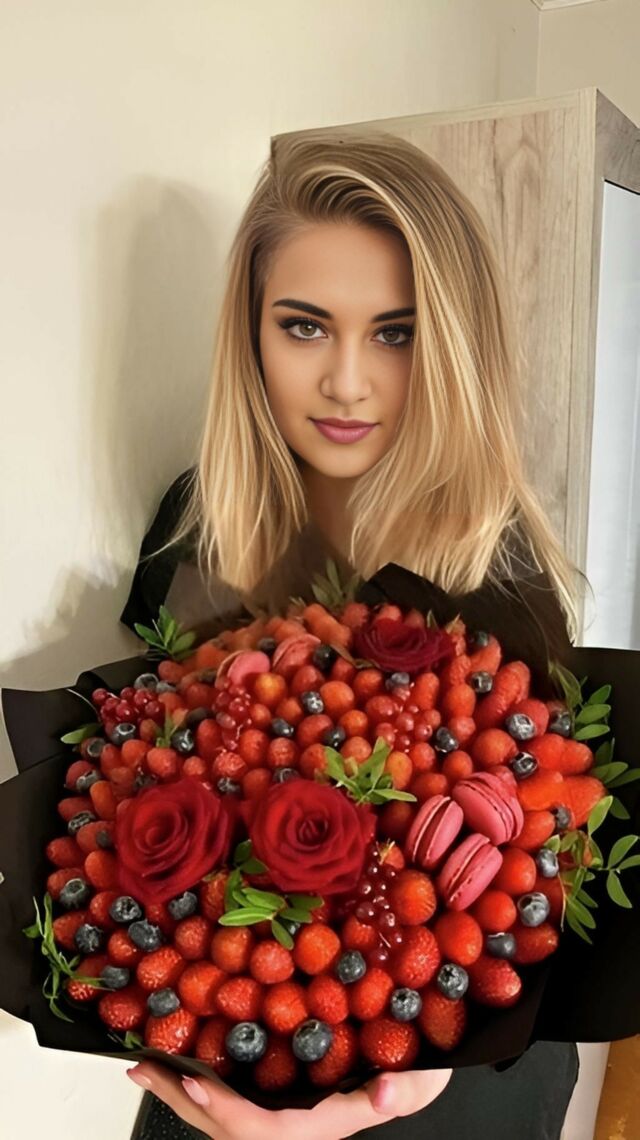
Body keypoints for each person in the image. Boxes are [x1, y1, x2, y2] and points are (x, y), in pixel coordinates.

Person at [120, 129, 591, 1139]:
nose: (344, 381)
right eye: (304, 326)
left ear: (455, 348)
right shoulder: (192, 531)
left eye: (394, 334)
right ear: (250, 332)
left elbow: (553, 923)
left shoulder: (502, 583)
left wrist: (414, 1088)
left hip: (454, 1097)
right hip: (220, 1081)